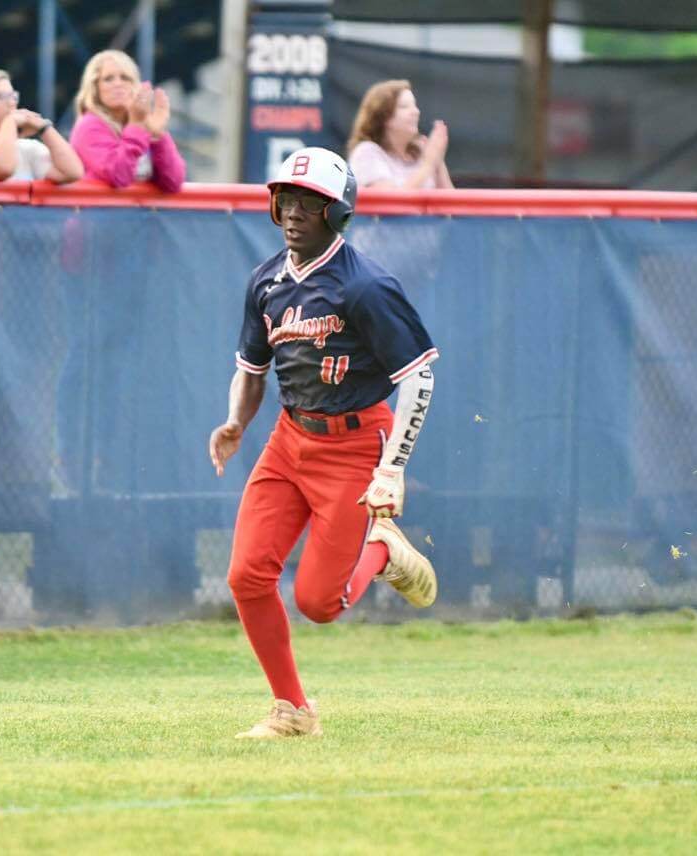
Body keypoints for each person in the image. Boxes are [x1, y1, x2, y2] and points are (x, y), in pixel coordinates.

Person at [209, 147, 440, 739]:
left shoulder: (364, 286)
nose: (292, 211)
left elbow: (419, 375)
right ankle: (292, 711)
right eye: (285, 198)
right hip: (290, 441)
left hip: (357, 445)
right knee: (246, 576)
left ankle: (384, 549)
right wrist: (236, 421)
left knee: (319, 602)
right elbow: (252, 368)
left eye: (309, 202)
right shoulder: (266, 282)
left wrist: (392, 468)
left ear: (338, 212)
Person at [69, 49, 186, 192]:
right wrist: (136, 125)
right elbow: (118, 177)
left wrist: (158, 135)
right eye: (108, 79)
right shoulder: (88, 126)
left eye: (125, 78)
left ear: (135, 85)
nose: (118, 84)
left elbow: (173, 183)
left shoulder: (141, 124)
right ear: (95, 88)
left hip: (141, 213)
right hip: (99, 212)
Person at [347, 79, 454, 190]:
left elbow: (453, 204)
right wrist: (428, 164)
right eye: (404, 106)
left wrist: (438, 159)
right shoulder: (366, 153)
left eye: (414, 105)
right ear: (384, 117)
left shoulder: (421, 153)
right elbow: (390, 203)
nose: (416, 112)